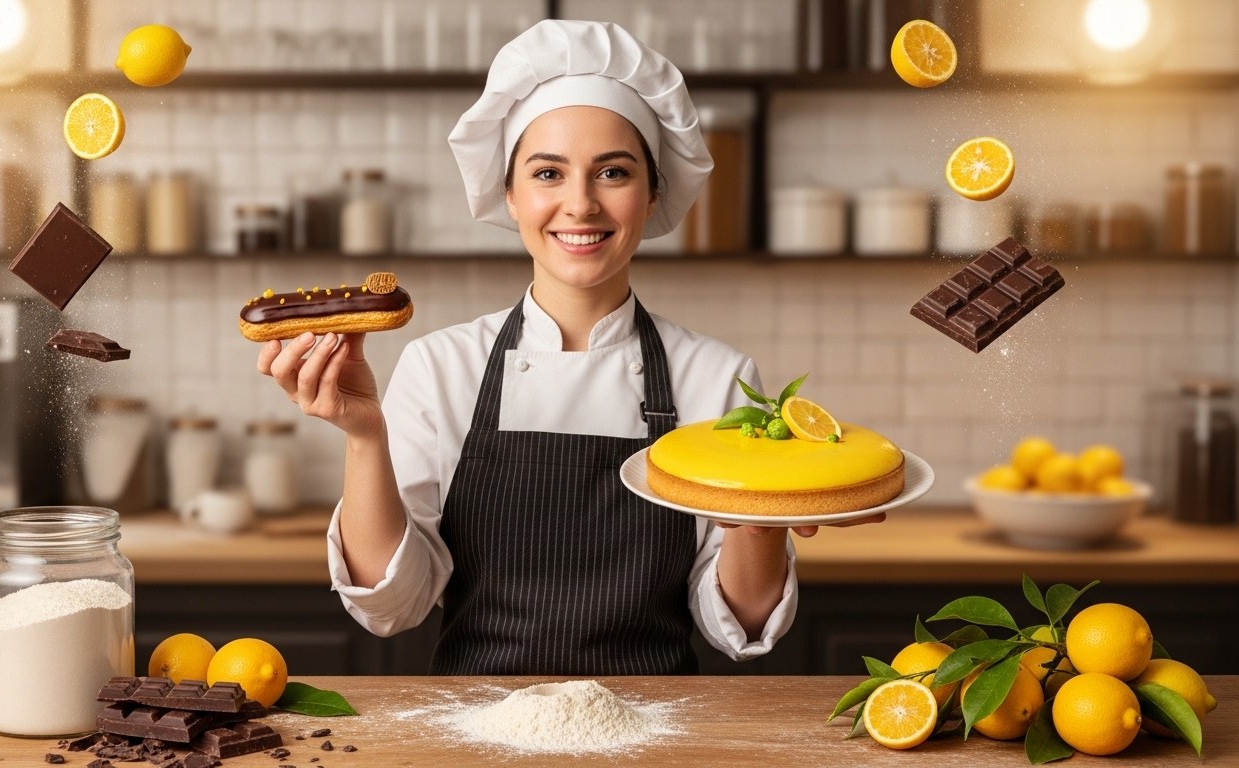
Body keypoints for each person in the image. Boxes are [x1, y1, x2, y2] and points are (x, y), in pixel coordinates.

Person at [258, 19, 881, 675]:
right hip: (475, 729)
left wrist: (761, 515)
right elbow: (394, 606)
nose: (579, 205)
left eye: (613, 171)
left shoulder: (716, 377)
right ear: (510, 194)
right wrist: (363, 435)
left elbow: (741, 625)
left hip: (659, 730)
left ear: (653, 193)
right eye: (548, 173)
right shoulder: (443, 366)